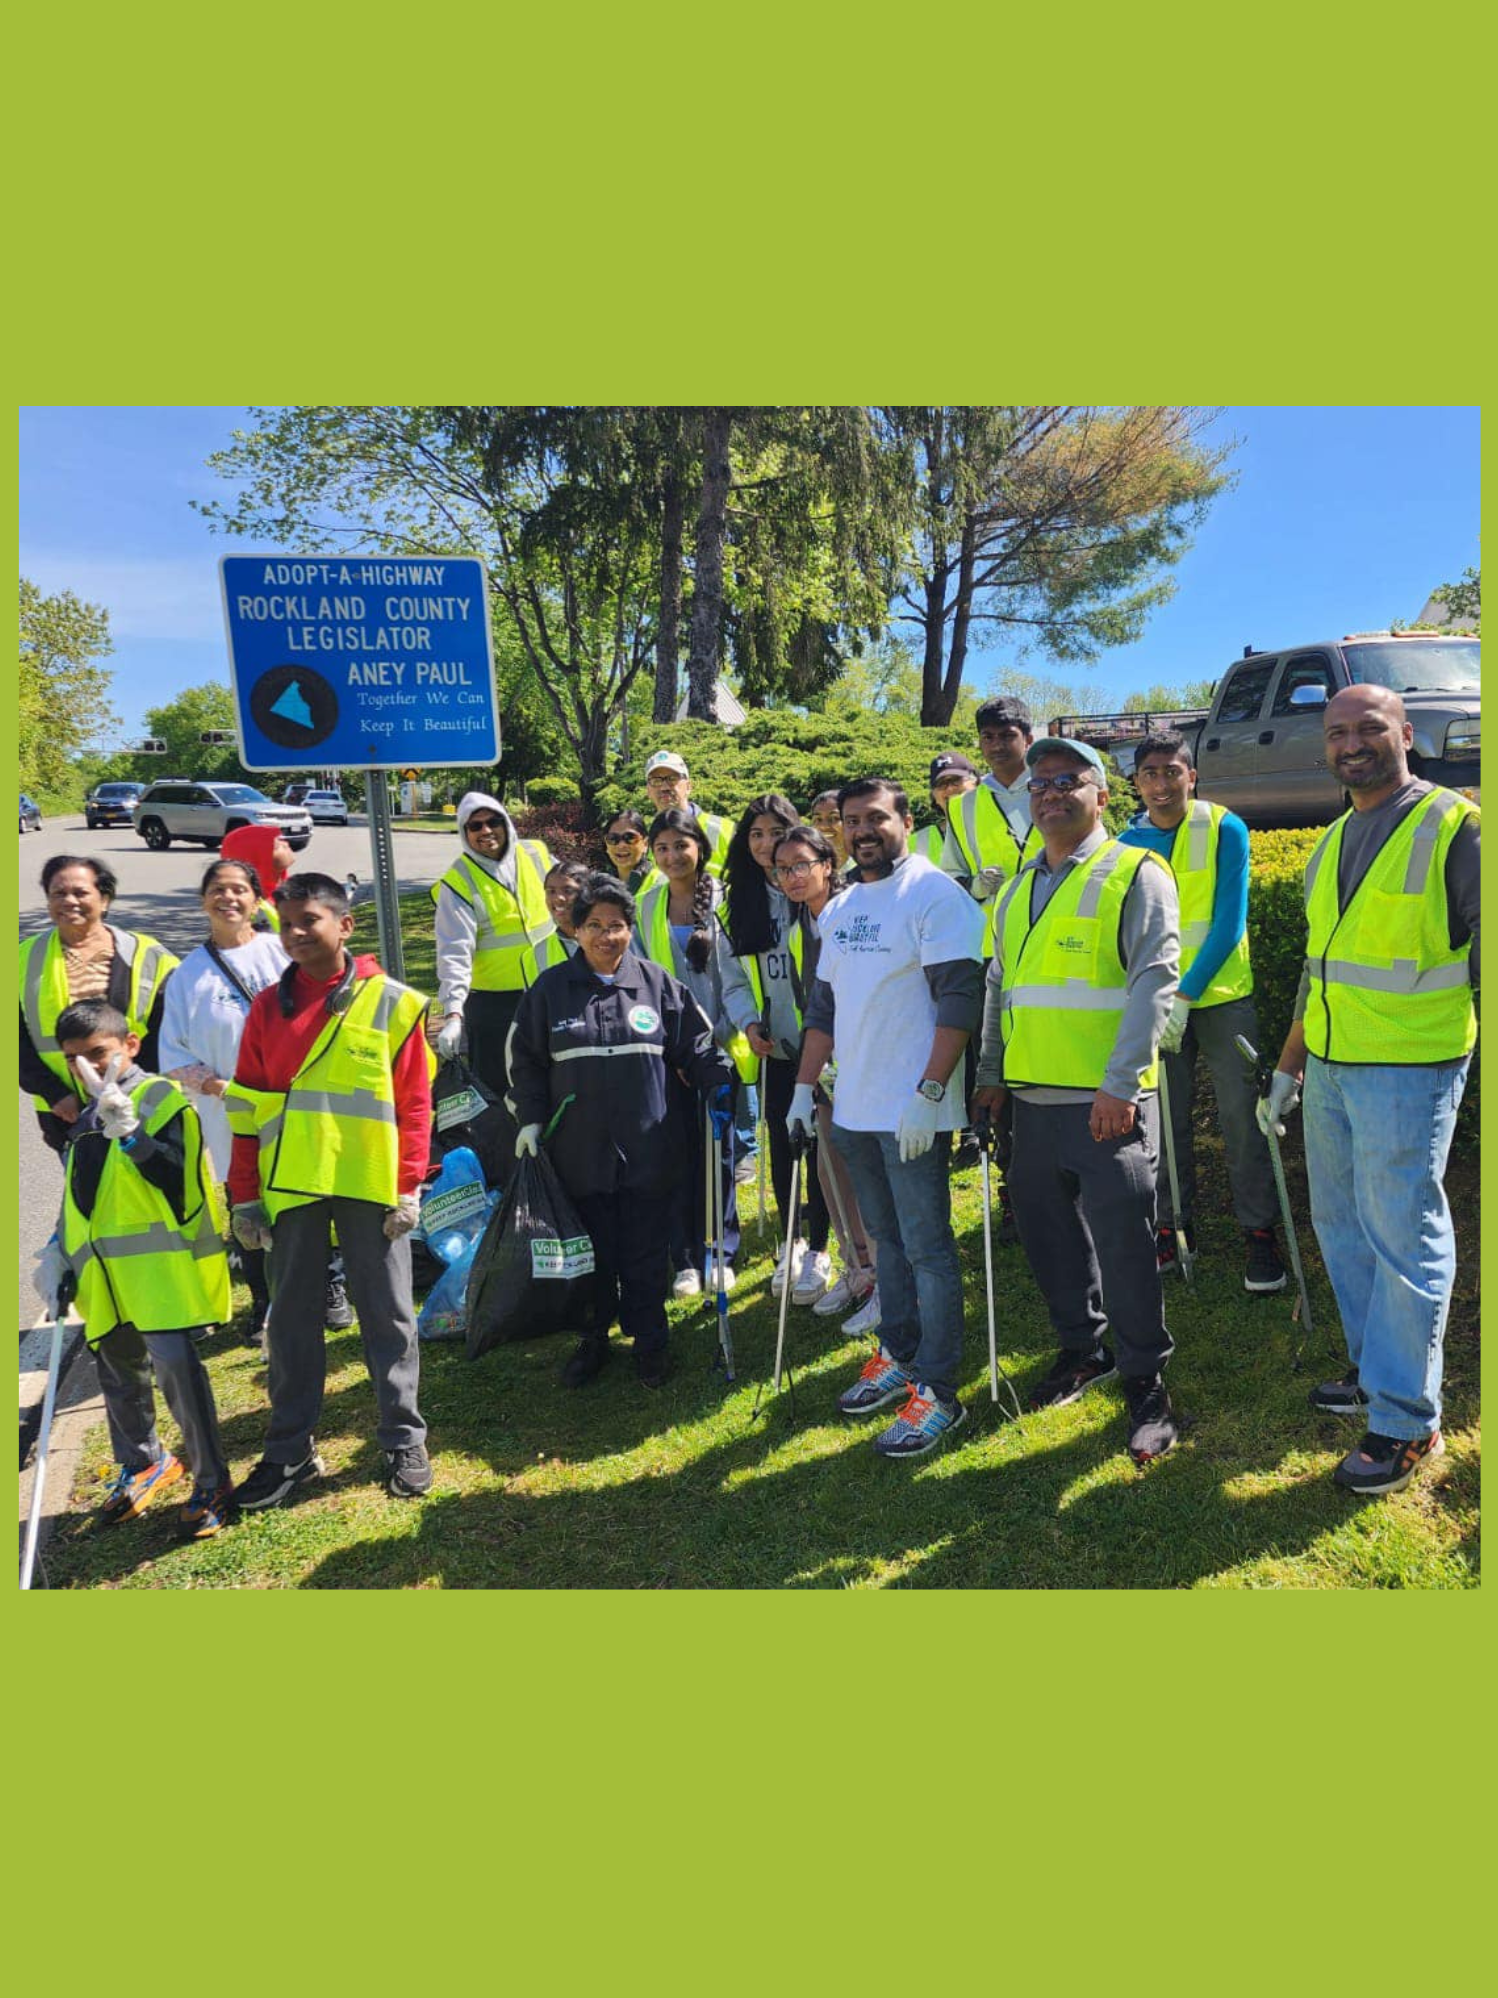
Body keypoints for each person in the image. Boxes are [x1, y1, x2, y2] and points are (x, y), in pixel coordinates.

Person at [1260, 685, 1479, 1496]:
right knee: (1342, 1226)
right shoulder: (1333, 838)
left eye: (1368, 728)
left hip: (1410, 1068)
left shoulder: (1457, 827)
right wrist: (1289, 1067)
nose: (1351, 742)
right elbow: (1318, 971)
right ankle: (1374, 1367)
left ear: (1406, 734)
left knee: (1403, 1237)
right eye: (1337, 731)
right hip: (1331, 1067)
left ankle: (1405, 1421)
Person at [972, 737, 1181, 1464]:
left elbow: (1156, 982)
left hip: (1108, 1104)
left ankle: (1145, 1377)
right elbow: (1002, 986)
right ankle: (1079, 1348)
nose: (1052, 793)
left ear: (1101, 795)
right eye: (1041, 785)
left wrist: (1119, 1085)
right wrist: (991, 1075)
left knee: (1125, 1247)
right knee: (1050, 1237)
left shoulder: (1135, 872)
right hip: (1032, 1103)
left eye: (1069, 781)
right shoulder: (1013, 890)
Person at [788, 778, 984, 1457]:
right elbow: (825, 1007)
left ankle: (940, 1390)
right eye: (851, 821)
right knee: (888, 1243)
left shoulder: (935, 895)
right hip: (856, 1110)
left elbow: (959, 1001)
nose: (863, 830)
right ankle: (898, 1352)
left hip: (912, 1111)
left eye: (877, 818)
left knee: (929, 1249)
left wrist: (931, 1093)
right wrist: (802, 1087)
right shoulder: (840, 907)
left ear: (906, 819)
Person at [224, 872, 434, 1507]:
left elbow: (414, 1104)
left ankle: (403, 1436)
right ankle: (290, 1451)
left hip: (370, 1186)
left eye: (308, 920)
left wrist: (408, 1187)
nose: (294, 934)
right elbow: (246, 1111)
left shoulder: (393, 1003)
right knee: (290, 1321)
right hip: (291, 1187)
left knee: (388, 1314)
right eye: (285, 923)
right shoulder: (265, 1010)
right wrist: (244, 1195)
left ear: (345, 925)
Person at [508, 874, 736, 1389]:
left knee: (644, 1249)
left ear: (631, 929)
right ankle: (594, 1338)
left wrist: (718, 1081)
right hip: (577, 1151)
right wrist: (529, 1120)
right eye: (594, 926)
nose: (605, 936)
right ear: (575, 931)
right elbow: (523, 1062)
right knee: (593, 1251)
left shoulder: (658, 985)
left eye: (616, 926)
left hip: (649, 1145)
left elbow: (696, 1045)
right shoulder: (549, 992)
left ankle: (650, 1339)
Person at [35, 999, 236, 1539]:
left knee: (178, 1375)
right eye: (74, 1059)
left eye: (98, 1055)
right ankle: (145, 1460)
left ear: (130, 1046)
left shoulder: (161, 1100)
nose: (87, 1069)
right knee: (118, 1375)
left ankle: (212, 1481)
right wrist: (57, 1249)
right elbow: (81, 1196)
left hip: (159, 1276)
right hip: (106, 1279)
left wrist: (133, 1136)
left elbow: (178, 1181)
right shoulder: (82, 1121)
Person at [1118, 732, 1287, 1291]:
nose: (1161, 784)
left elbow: (1228, 924)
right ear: (1136, 781)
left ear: (1192, 776)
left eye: (1172, 772)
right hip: (1154, 1007)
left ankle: (1259, 1234)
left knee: (1244, 1121)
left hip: (1220, 1001)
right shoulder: (1124, 842)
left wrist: (1185, 996)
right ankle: (1170, 1227)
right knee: (1164, 1122)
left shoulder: (1223, 828)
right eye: (1150, 774)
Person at [157, 857, 294, 1339]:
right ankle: (263, 1302)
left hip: (292, 1102)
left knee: (307, 1194)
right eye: (218, 889)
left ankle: (327, 1287)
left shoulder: (282, 953)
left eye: (239, 889)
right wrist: (223, 1088)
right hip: (229, 1111)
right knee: (248, 1201)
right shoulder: (186, 976)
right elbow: (172, 1051)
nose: (229, 897)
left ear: (257, 900)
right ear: (202, 901)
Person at [718, 794, 834, 1304]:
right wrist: (747, 1022)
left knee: (825, 1151)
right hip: (776, 1049)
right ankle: (792, 1241)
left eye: (775, 832)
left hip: (826, 1047)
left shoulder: (813, 891)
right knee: (784, 1144)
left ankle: (823, 1248)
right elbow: (732, 979)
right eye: (756, 835)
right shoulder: (734, 902)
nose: (766, 845)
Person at [634, 809, 752, 1294]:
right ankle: (683, 1256)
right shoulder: (646, 906)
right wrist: (674, 1047)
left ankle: (719, 1249)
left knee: (720, 1151)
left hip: (722, 1046)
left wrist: (713, 1043)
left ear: (699, 847)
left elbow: (740, 977)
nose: (671, 856)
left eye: (680, 845)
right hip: (668, 1051)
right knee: (676, 1153)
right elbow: (641, 981)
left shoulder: (725, 899)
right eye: (660, 847)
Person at [771, 824, 879, 1332]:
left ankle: (883, 1276)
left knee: (866, 1176)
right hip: (823, 1065)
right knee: (829, 1170)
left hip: (866, 1061)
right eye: (783, 869)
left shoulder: (855, 912)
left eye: (801, 865)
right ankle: (856, 1266)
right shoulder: (799, 927)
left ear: (827, 865)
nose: (792, 877)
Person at [21, 855, 178, 1157]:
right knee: (88, 1196)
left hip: (141, 1104)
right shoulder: (21, 959)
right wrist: (56, 1095)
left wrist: (133, 1094)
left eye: (80, 893)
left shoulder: (151, 956)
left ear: (104, 899)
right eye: (58, 894)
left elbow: (167, 1034)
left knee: (148, 1189)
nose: (69, 901)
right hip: (66, 1112)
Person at [426, 791, 554, 1114]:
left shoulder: (535, 854)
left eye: (493, 821)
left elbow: (570, 893)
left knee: (555, 1079)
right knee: (501, 1091)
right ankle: (507, 1160)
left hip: (549, 990)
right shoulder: (458, 881)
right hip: (495, 1005)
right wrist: (454, 1012)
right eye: (475, 826)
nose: (486, 831)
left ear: (506, 822)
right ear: (464, 833)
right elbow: (454, 952)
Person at [940, 696, 1044, 931]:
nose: (997, 746)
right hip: (988, 943)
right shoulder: (961, 806)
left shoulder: (1053, 791)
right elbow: (951, 876)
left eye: (1008, 736)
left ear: (1028, 740)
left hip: (1048, 934)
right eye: (988, 737)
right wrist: (976, 887)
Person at [642, 750, 731, 875]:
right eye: (656, 781)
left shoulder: (724, 829)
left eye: (672, 779)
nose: (664, 787)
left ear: (688, 786)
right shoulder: (644, 839)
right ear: (648, 790)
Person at [220, 823, 297, 930]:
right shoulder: (253, 913)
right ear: (259, 857)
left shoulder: (284, 894)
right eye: (277, 846)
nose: (286, 844)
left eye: (283, 840)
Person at [912, 751, 978, 865]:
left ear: (975, 783)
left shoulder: (1000, 822)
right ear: (933, 795)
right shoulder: (917, 842)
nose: (950, 788)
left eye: (956, 780)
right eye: (941, 784)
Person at [534, 859, 590, 970]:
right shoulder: (536, 954)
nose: (558, 898)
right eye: (551, 891)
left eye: (568, 890)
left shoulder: (613, 938)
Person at [601, 809, 655, 896]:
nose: (621, 845)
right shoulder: (600, 888)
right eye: (613, 839)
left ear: (645, 844)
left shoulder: (661, 882)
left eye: (630, 837)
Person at [808, 791, 853, 874]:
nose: (824, 826)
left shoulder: (865, 870)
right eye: (818, 819)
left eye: (834, 818)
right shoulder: (807, 869)